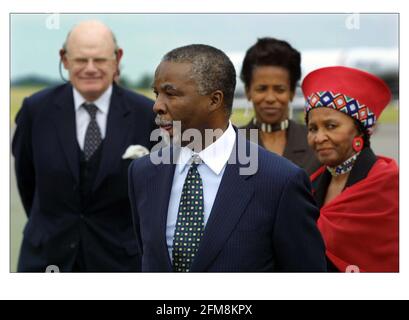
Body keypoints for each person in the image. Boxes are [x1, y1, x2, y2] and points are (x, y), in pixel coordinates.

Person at [128, 44, 327, 272]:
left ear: (214, 100)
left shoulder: (279, 182)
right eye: (156, 94)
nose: (157, 106)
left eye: (171, 94)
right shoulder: (143, 173)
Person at [12, 20, 156, 272]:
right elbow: (27, 181)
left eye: (100, 60)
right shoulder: (35, 110)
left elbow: (154, 193)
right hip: (46, 260)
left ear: (117, 58)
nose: (90, 69)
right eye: (80, 60)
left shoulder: (146, 114)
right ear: (64, 59)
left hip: (120, 265)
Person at [302, 66, 399, 272]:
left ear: (359, 130)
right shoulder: (309, 185)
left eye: (331, 126)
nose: (319, 138)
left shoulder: (390, 184)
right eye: (312, 129)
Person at [240, 37, 320, 175]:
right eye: (261, 89)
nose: (270, 98)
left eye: (279, 89)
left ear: (292, 92)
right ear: (248, 91)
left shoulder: (315, 142)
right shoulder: (232, 144)